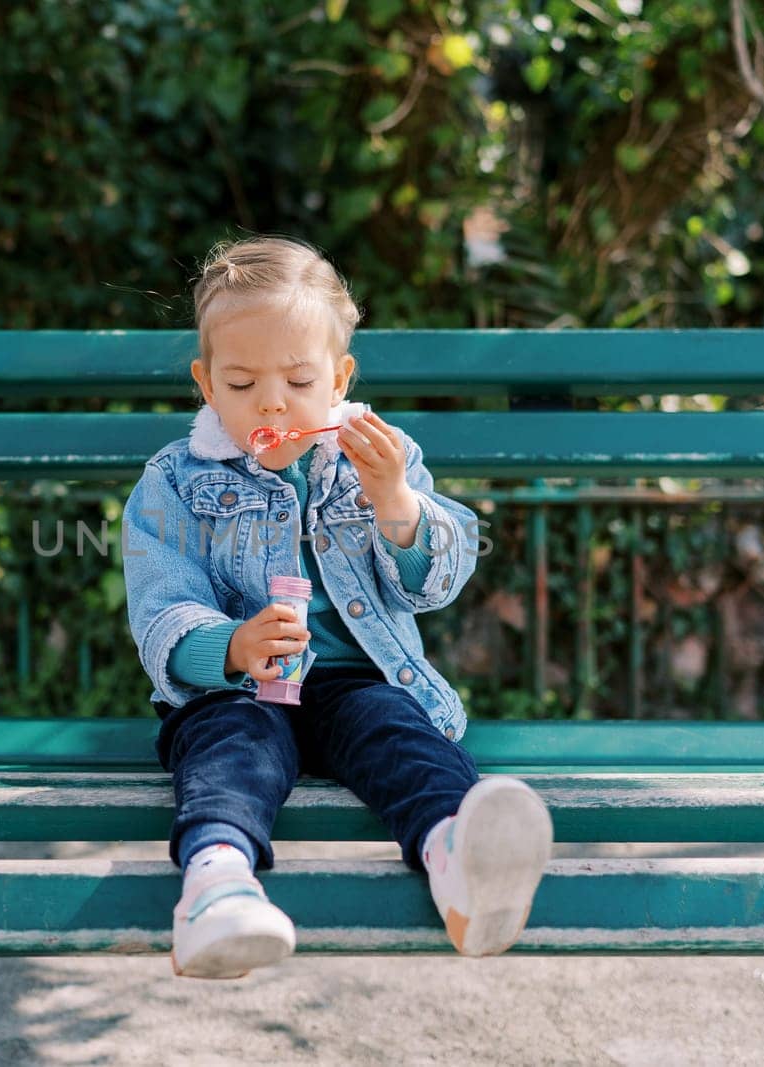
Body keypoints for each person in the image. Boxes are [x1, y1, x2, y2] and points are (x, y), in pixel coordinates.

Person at [122, 235, 553, 979]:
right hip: (244, 689)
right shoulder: (176, 480)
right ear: (205, 383)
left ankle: (458, 860)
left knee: (400, 732)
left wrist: (396, 502)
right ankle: (217, 887)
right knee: (230, 749)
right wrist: (228, 645)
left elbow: (436, 580)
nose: (270, 402)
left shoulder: (381, 459)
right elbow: (160, 607)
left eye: (296, 378)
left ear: (339, 377)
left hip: (357, 683)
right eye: (240, 382)